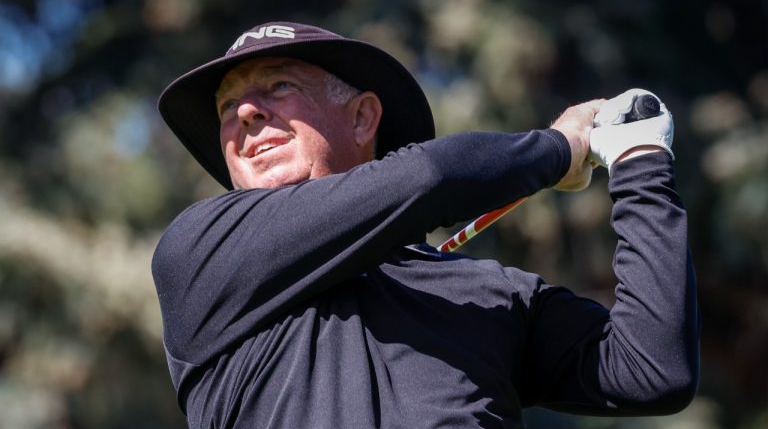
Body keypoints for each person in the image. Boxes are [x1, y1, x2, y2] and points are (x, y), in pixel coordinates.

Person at [153, 22, 699, 428]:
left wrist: (642, 163)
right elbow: (431, 176)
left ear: (363, 117)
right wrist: (560, 147)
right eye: (229, 108)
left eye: (277, 88)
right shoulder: (203, 251)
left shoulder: (484, 293)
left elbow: (651, 369)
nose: (246, 114)